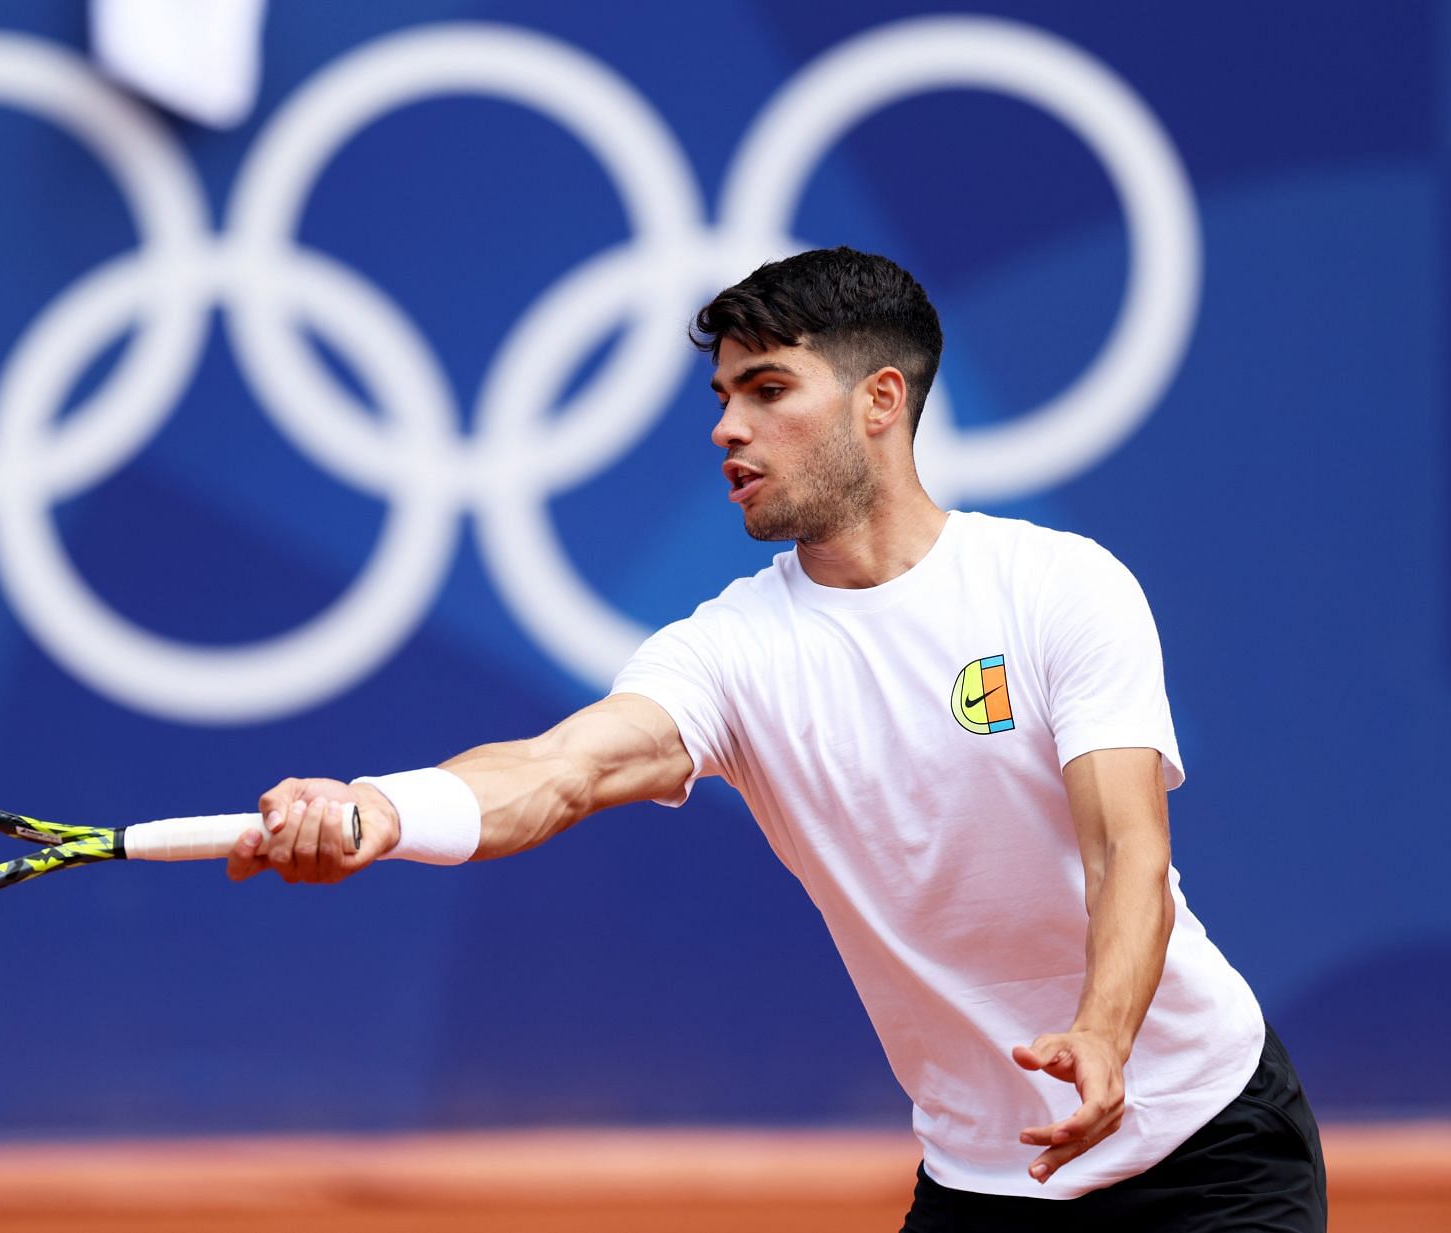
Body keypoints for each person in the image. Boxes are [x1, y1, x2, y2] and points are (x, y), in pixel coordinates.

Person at [228, 247, 1327, 1231]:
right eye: (721, 397)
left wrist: (1101, 1034)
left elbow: (1126, 851)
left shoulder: (1058, 588)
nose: (725, 429)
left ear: (879, 401)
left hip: (1206, 1144)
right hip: (987, 1177)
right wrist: (379, 809)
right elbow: (558, 770)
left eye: (767, 390)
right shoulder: (730, 652)